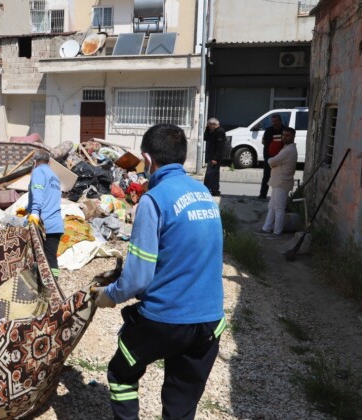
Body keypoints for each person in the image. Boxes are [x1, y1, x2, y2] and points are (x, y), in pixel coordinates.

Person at [93, 124, 225, 419]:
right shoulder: (204, 193)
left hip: (167, 320)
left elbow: (139, 277)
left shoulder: (154, 200)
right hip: (209, 323)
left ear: (147, 159)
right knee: (181, 401)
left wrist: (110, 295)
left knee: (122, 371)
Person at [27, 150, 64, 278]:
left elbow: (38, 192)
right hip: (56, 223)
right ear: (49, 162)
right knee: (51, 258)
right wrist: (27, 209)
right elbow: (48, 198)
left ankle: (47, 289)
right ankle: (55, 285)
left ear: (34, 162)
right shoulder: (54, 176)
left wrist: (35, 212)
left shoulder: (38, 171)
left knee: (39, 259)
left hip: (44, 224)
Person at [260, 127, 298, 236]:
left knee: (279, 208)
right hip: (278, 181)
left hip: (282, 182)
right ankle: (266, 228)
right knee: (272, 206)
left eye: (287, 135)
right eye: (283, 135)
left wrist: (270, 161)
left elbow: (273, 160)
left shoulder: (289, 150)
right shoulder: (286, 148)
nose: (284, 137)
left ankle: (277, 232)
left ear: (293, 137)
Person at [259, 114, 285, 199]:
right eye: (273, 121)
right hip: (269, 157)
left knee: (279, 178)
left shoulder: (285, 130)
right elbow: (263, 141)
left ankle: (278, 196)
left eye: (276, 121)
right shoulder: (269, 130)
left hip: (281, 158)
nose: (274, 123)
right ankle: (262, 195)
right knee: (266, 177)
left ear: (280, 121)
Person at [203, 117, 226, 196]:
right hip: (212, 157)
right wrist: (207, 129)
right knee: (215, 175)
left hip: (215, 158)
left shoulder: (220, 132)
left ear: (213, 124)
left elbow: (220, 147)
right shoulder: (213, 131)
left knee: (209, 175)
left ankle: (205, 191)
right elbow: (206, 138)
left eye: (209, 125)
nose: (208, 127)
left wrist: (215, 158)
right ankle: (215, 191)